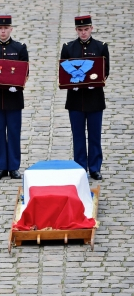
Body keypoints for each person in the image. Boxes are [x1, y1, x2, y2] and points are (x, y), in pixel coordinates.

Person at [61, 15, 109, 180]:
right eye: (80, 30)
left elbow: (105, 70)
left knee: (95, 135)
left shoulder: (101, 47)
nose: (83, 33)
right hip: (75, 99)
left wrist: (95, 82)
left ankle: (95, 167)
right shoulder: (68, 48)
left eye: (86, 29)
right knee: (78, 136)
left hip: (94, 98)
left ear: (91, 28)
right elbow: (63, 70)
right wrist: (71, 83)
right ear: (76, 30)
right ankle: (80, 167)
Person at [0, 15, 29, 180]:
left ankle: (14, 167)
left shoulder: (20, 48)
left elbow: (25, 71)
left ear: (11, 29)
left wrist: (17, 85)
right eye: (0, 28)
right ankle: (1, 167)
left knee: (14, 132)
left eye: (6, 28)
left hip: (13, 97)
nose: (3, 31)